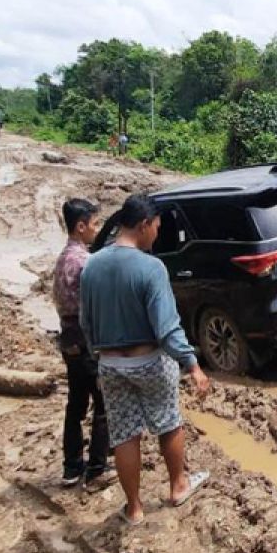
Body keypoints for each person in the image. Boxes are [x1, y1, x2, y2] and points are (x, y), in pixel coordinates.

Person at [80, 194, 211, 526]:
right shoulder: (151, 268)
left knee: (124, 433)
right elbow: (167, 327)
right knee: (168, 421)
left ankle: (134, 508)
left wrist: (100, 353)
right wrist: (192, 364)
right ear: (143, 225)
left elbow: (85, 322)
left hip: (110, 363)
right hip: (149, 359)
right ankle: (179, 485)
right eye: (156, 227)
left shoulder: (92, 264)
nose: (157, 234)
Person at [52, 199, 112, 488]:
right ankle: (97, 470)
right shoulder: (85, 262)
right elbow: (94, 307)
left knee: (76, 404)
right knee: (103, 403)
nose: (96, 229)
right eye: (94, 224)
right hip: (87, 342)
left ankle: (72, 467)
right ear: (81, 226)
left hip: (68, 340)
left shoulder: (63, 258)